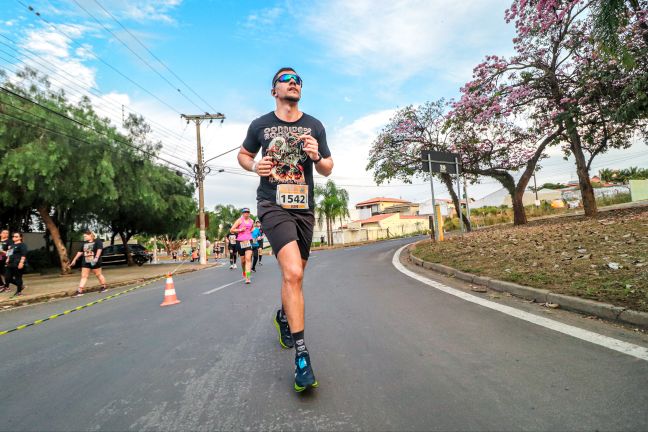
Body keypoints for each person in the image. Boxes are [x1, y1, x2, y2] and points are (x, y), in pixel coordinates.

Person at [237, 67, 333, 392]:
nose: (294, 82)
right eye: (286, 79)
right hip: (272, 204)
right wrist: (254, 165)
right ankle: (302, 358)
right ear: (273, 90)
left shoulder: (315, 125)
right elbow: (243, 154)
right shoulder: (260, 125)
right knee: (292, 272)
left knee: (297, 275)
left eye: (298, 80)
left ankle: (283, 316)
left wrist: (317, 156)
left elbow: (328, 168)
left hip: (303, 208)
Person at [69, 231, 107, 296]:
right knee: (84, 276)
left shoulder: (97, 241)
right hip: (86, 261)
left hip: (95, 261)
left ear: (90, 235)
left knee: (98, 274)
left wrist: (96, 258)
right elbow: (80, 252)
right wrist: (74, 260)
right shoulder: (84, 243)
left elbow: (99, 249)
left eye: (85, 236)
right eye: (84, 236)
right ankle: (79, 291)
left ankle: (104, 287)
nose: (84, 237)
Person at [230, 208, 254, 284]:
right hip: (240, 242)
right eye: (245, 212)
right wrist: (240, 230)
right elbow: (232, 230)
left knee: (248, 259)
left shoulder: (251, 221)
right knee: (243, 261)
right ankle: (244, 271)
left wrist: (250, 232)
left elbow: (252, 228)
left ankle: (247, 277)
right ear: (242, 213)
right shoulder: (239, 220)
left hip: (248, 241)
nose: (246, 213)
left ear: (249, 213)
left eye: (247, 212)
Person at [1, 232, 27, 296]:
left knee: (18, 277)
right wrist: (7, 260)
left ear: (20, 237)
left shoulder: (22, 245)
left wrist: (21, 263)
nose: (14, 238)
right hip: (10, 264)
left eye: (16, 236)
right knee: (7, 277)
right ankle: (20, 286)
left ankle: (19, 292)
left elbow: (24, 255)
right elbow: (9, 254)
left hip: (17, 263)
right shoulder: (12, 245)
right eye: (13, 236)